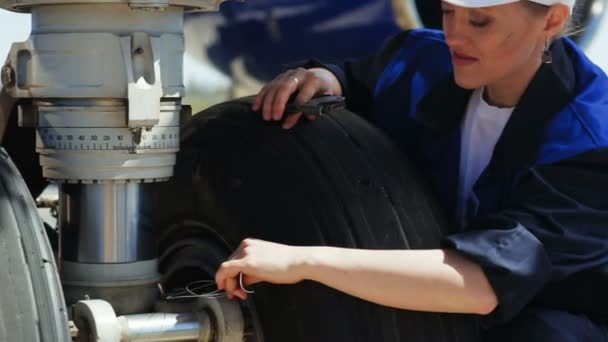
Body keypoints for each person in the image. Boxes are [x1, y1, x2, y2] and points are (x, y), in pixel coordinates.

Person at [215, 0, 608, 340]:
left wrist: (302, 262)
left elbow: (485, 281)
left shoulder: (591, 138)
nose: (453, 35)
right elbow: (358, 81)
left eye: (480, 22)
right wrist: (321, 79)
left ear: (552, 21)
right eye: (448, 12)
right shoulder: (420, 61)